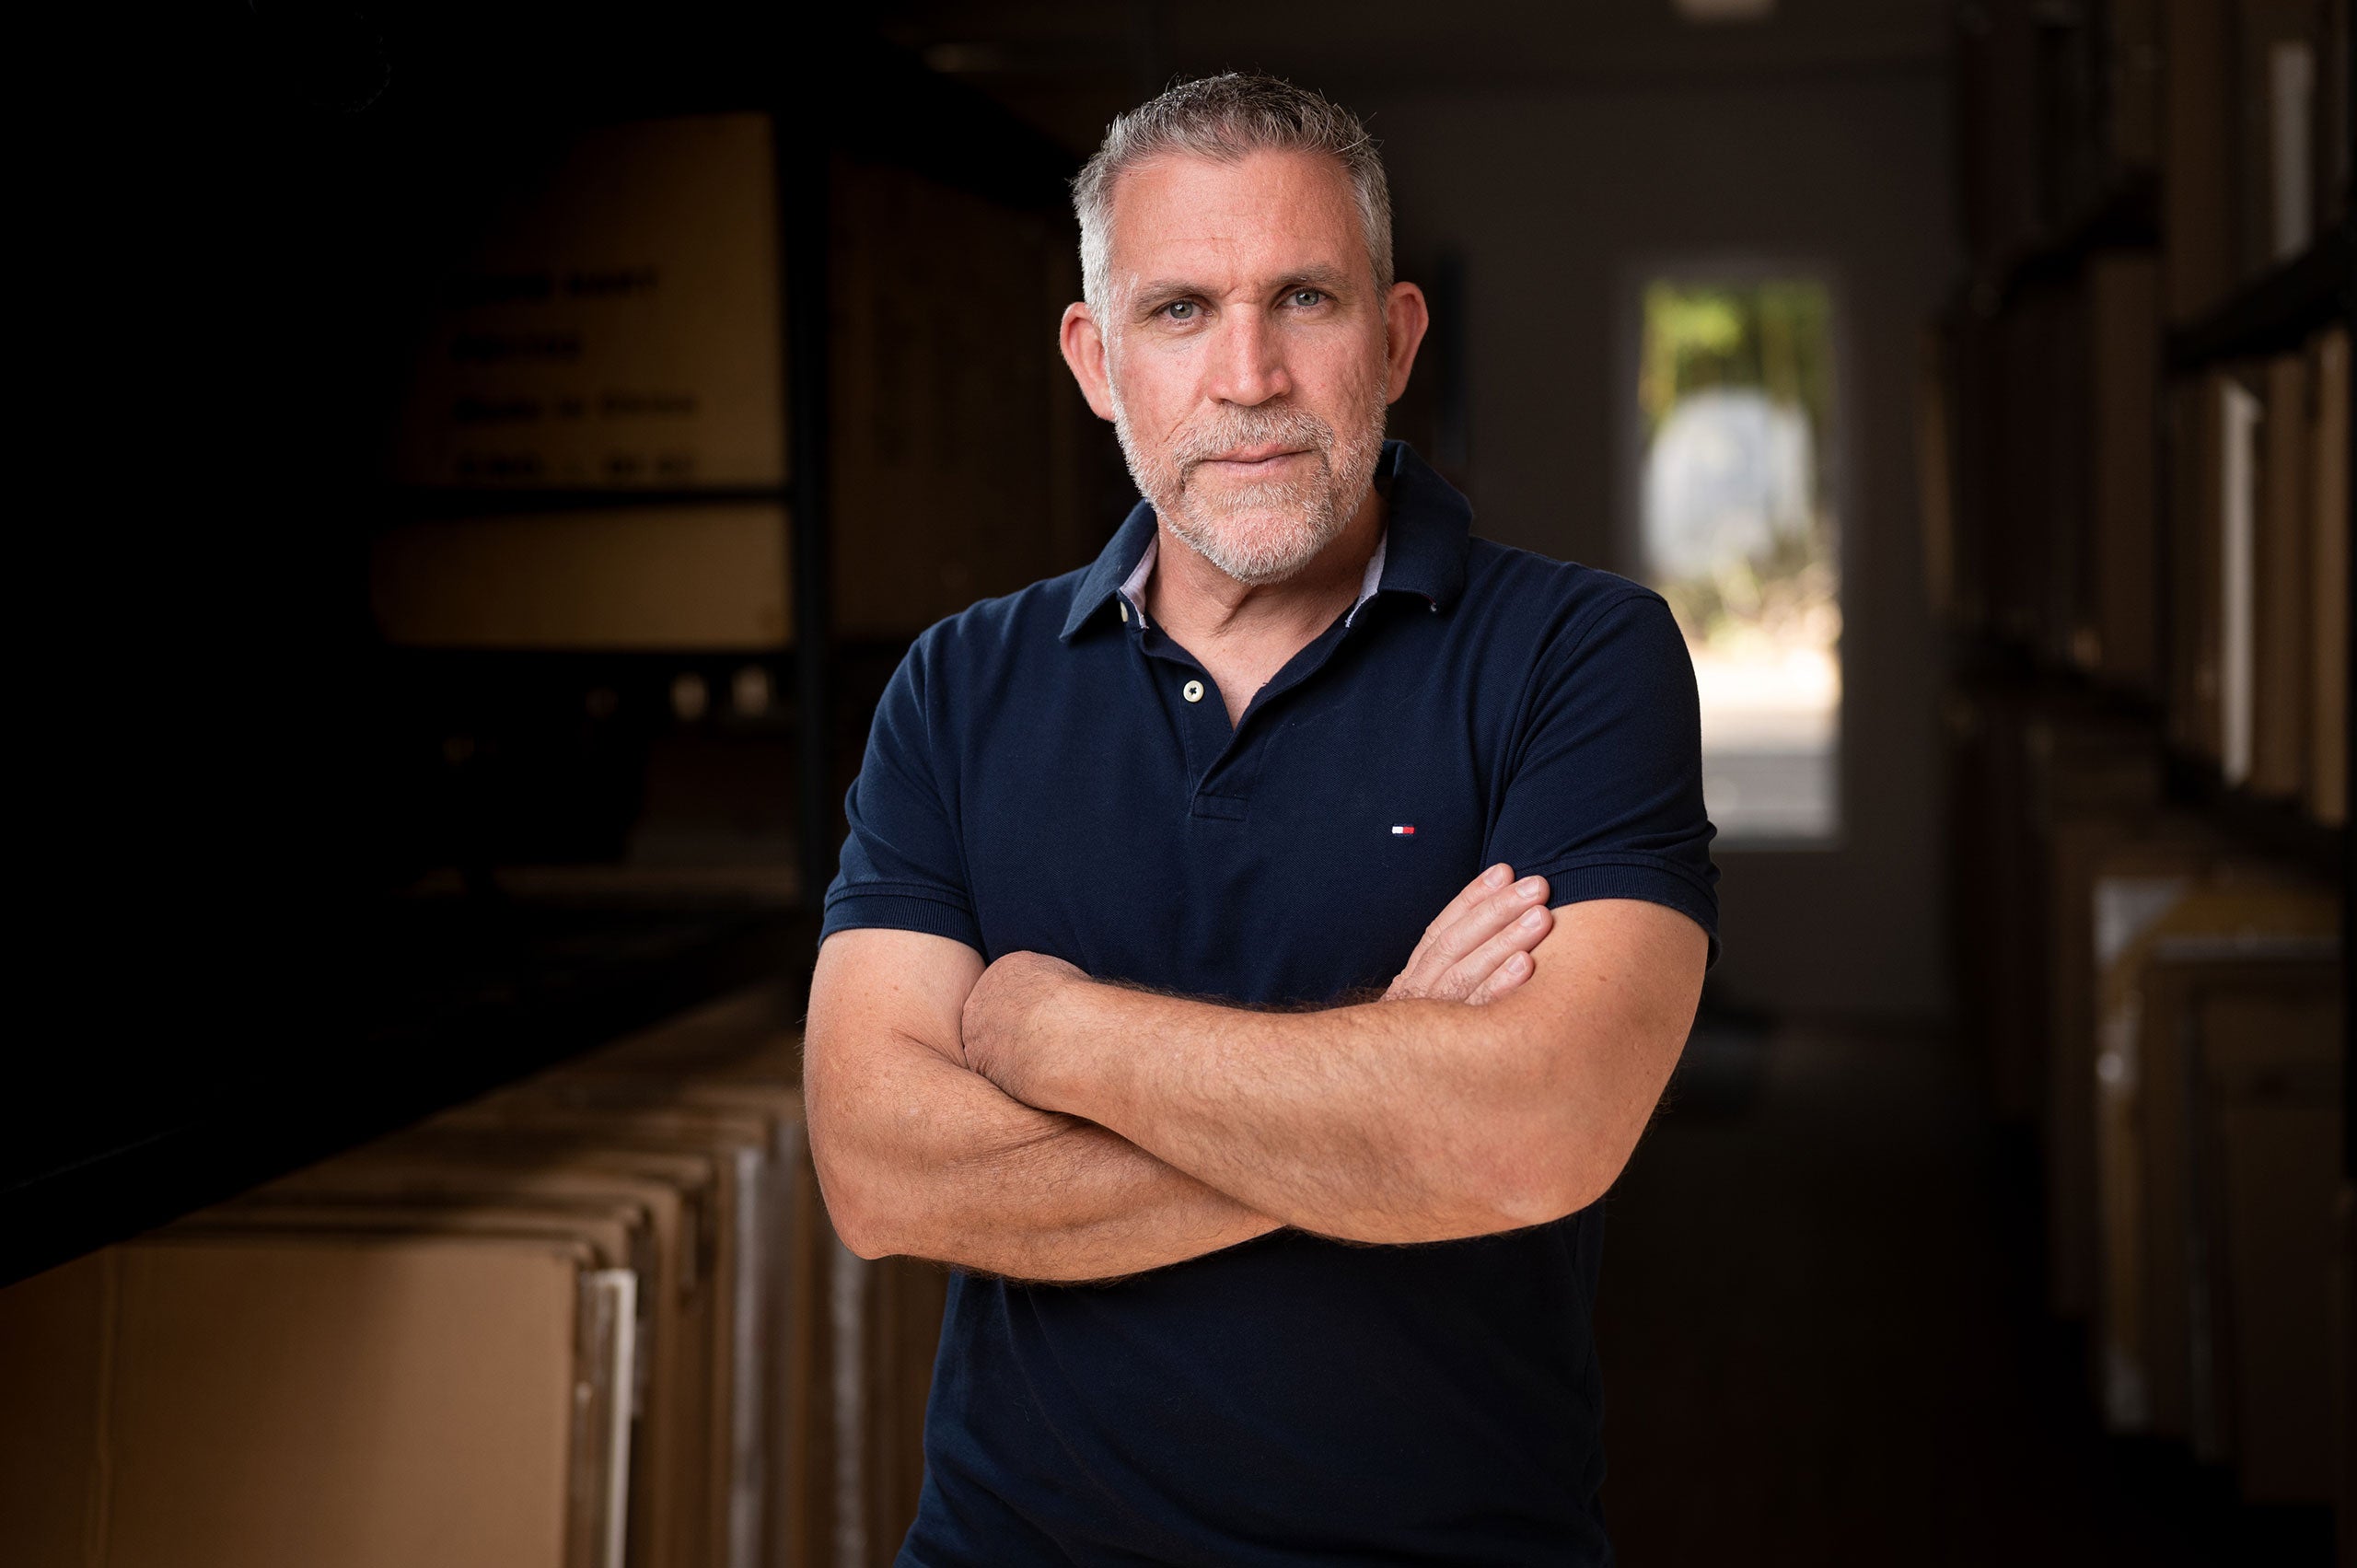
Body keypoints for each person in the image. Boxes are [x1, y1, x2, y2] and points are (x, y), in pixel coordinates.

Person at [806, 72, 1718, 1567]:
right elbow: (882, 1175)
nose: (1248, 375)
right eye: (1179, 311)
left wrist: (1059, 1038)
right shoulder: (959, 686)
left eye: (1303, 297)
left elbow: (1530, 1134)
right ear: (1097, 361)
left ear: (1397, 339)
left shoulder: (1581, 656)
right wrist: (1388, 1100)